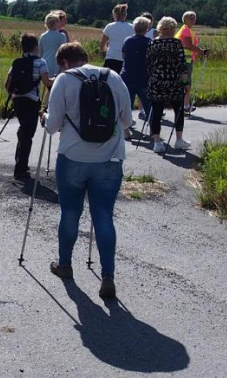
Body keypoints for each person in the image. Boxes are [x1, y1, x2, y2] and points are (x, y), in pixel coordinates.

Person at [43, 42, 132, 300]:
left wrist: (44, 117)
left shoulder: (64, 79)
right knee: (103, 215)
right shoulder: (112, 77)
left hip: (73, 157)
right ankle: (108, 275)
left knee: (70, 212)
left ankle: (65, 265)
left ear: (64, 62)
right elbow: (127, 121)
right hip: (109, 158)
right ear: (86, 57)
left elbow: (53, 125)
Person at [4, 33, 53, 179]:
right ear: (36, 47)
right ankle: (20, 167)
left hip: (17, 100)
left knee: (23, 129)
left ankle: (21, 163)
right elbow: (47, 82)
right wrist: (57, 79)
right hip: (32, 100)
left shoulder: (16, 62)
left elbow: (8, 85)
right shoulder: (41, 62)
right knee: (28, 134)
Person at [146, 17, 191, 153]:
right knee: (178, 111)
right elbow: (182, 67)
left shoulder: (152, 44)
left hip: (157, 82)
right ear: (172, 29)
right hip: (174, 83)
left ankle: (157, 142)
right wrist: (185, 83)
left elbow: (148, 64)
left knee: (156, 111)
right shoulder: (177, 44)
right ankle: (178, 140)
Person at [121, 16, 153, 130]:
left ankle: (126, 128)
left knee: (127, 105)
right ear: (146, 29)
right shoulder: (149, 42)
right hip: (143, 77)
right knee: (148, 104)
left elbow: (124, 56)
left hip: (128, 76)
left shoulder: (128, 40)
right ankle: (154, 130)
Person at [175, 11, 208, 113]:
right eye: (190, 18)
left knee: (185, 83)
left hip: (186, 59)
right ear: (185, 19)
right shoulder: (186, 30)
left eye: (194, 18)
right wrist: (202, 52)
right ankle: (184, 106)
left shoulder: (187, 29)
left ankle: (185, 105)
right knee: (186, 83)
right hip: (185, 61)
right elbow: (189, 45)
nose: (193, 20)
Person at [100, 4, 134, 73]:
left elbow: (102, 46)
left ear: (114, 14)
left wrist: (107, 51)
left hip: (110, 59)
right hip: (124, 60)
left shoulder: (109, 26)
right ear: (125, 15)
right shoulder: (132, 28)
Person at [38, 13, 67, 77]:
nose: (59, 23)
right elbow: (63, 53)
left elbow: (40, 53)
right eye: (58, 21)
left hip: (44, 66)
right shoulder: (61, 36)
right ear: (53, 23)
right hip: (56, 66)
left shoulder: (42, 36)